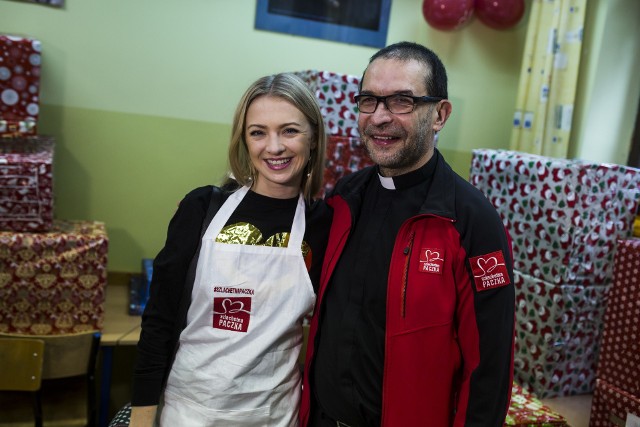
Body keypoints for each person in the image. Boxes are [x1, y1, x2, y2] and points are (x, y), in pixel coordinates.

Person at [301, 41, 515, 426]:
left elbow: (489, 364)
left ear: (440, 114)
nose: (380, 118)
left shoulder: (471, 222)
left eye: (401, 101)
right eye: (369, 101)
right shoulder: (345, 198)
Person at [130, 72, 331, 426]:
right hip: (188, 410)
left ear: (313, 137)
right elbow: (159, 318)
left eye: (289, 130)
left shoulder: (323, 225)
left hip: (273, 415)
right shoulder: (201, 208)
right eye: (258, 132)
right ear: (244, 139)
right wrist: (143, 414)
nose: (274, 147)